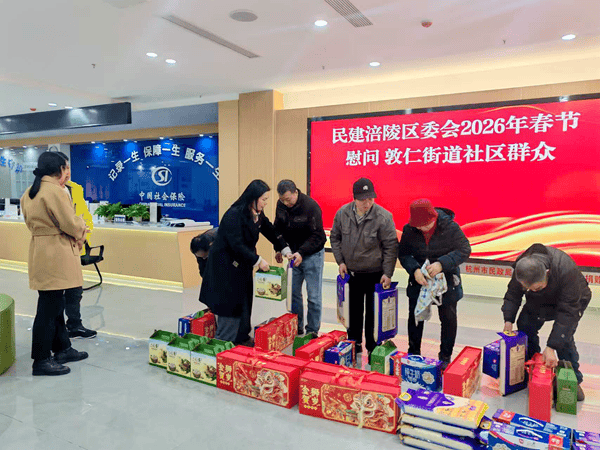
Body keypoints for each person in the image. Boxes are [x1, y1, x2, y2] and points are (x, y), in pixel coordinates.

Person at [20, 152, 90, 376]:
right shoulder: (55, 191)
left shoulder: (30, 192)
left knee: (54, 304)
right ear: (59, 168)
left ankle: (62, 348)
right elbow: (70, 223)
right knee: (48, 309)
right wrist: (82, 227)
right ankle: (41, 359)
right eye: (65, 167)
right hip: (57, 252)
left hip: (41, 250)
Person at [199, 180, 291, 346]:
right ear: (253, 198)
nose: (265, 203)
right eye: (263, 199)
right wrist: (258, 260)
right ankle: (223, 345)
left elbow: (269, 229)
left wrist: (284, 249)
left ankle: (241, 338)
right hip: (225, 269)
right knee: (230, 307)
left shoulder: (256, 213)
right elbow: (236, 245)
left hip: (242, 267)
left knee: (245, 303)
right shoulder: (234, 215)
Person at [502, 243, 591, 401]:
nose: (531, 289)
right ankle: (532, 366)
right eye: (528, 288)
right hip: (540, 299)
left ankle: (572, 379)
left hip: (573, 300)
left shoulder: (565, 270)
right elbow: (513, 294)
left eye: (536, 287)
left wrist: (551, 346)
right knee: (525, 325)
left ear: (547, 273)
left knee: (564, 339)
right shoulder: (522, 270)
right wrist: (508, 320)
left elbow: (567, 314)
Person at [398, 199, 471, 370]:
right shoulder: (410, 229)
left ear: (433, 218)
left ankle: (445, 356)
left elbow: (464, 249)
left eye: (425, 225)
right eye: (419, 226)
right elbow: (403, 254)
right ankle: (414, 353)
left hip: (446, 281)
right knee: (416, 318)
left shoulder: (450, 227)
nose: (422, 229)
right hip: (420, 281)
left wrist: (442, 264)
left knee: (448, 319)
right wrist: (414, 269)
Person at [330, 178, 398, 358]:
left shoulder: (383, 216)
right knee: (353, 311)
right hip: (351, 273)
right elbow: (335, 237)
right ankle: (354, 344)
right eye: (362, 200)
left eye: (370, 199)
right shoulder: (343, 213)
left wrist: (388, 273)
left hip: (375, 274)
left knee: (373, 313)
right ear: (354, 198)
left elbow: (391, 246)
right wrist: (340, 261)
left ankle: (373, 346)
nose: (367, 203)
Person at [274, 180, 326, 335]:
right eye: (282, 200)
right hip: (292, 255)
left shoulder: (311, 206)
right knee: (293, 294)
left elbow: (318, 236)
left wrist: (302, 252)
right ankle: (297, 327)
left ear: (296, 192)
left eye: (288, 199)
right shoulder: (281, 205)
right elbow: (278, 228)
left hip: (312, 255)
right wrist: (279, 248)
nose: (286, 203)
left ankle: (312, 331)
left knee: (313, 296)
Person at [56, 151, 97, 339]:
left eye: (69, 167)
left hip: (76, 245)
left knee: (75, 289)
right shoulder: (48, 191)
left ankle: (74, 325)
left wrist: (86, 232)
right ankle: (58, 329)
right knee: (57, 292)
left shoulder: (75, 189)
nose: (68, 172)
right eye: (64, 168)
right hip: (59, 247)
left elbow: (83, 214)